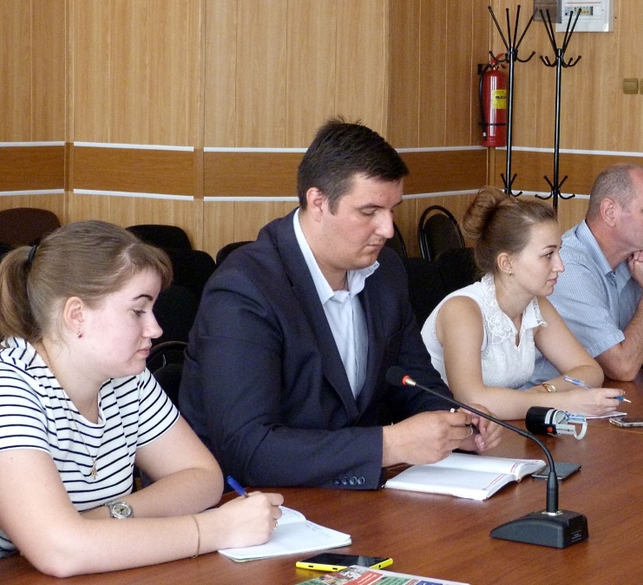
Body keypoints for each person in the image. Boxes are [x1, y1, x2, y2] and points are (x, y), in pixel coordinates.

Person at [179, 119, 501, 490]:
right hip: (250, 502)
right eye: (369, 211)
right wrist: (389, 445)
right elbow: (249, 448)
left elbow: (415, 384)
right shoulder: (244, 290)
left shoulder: (386, 272)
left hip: (353, 497)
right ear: (318, 202)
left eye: (392, 209)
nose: (388, 229)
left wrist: (456, 423)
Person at [0, 221, 282, 576]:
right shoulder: (10, 387)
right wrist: (215, 530)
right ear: (77, 316)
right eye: (138, 311)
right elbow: (60, 551)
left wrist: (108, 518)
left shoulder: (125, 377)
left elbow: (202, 477)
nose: (156, 329)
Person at [421, 188, 624, 420]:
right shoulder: (463, 310)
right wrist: (563, 402)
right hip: (441, 431)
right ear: (507, 263)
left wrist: (542, 391)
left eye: (559, 251)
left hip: (497, 429)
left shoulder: (536, 305)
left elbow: (590, 372)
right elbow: (471, 401)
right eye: (548, 255)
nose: (560, 266)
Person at [534, 164, 643, 384]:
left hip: (597, 396)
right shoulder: (567, 269)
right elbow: (622, 368)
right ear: (610, 212)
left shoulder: (639, 260)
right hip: (542, 400)